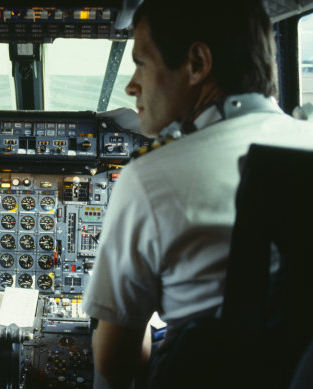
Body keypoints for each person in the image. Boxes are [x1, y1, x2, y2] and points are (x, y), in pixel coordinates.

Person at [82, 0, 313, 387]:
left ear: (197, 63)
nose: (130, 85)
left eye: (140, 62)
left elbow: (116, 363)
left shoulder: (150, 178)